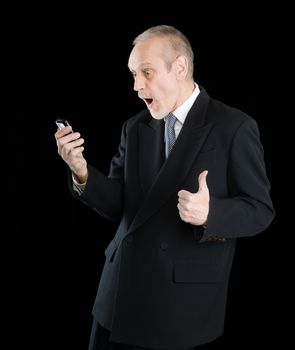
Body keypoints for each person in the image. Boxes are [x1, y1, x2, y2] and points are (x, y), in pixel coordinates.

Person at [55, 25, 275, 350]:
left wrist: (211, 213)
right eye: (133, 74)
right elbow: (120, 204)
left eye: (147, 72)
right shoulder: (135, 127)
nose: (136, 85)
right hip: (118, 295)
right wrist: (83, 172)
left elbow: (260, 210)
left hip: (178, 307)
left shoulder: (234, 127)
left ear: (181, 67)